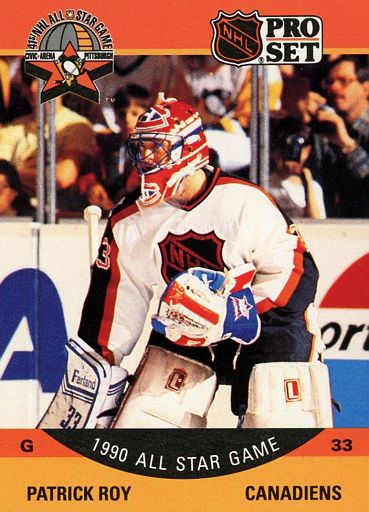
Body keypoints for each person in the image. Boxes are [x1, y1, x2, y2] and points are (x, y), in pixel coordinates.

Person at [70, 95, 331, 428]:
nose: (146, 159)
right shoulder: (129, 219)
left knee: (278, 420)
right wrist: (97, 368)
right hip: (185, 324)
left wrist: (236, 312)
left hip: (268, 321)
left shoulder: (245, 202)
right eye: (142, 148)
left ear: (189, 149)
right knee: (145, 423)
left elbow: (298, 271)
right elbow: (118, 295)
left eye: (157, 148)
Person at [0, 66, 112, 214]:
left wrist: (14, 174)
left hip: (63, 216)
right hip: (19, 215)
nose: (33, 88)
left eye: (41, 80)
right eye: (28, 81)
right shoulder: (12, 128)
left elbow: (61, 177)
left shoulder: (77, 126)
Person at [296, 55, 369, 217]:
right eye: (330, 82)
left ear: (366, 88)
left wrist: (348, 147)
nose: (334, 88)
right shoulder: (327, 124)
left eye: (343, 81)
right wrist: (303, 121)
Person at [99, 83, 151, 202]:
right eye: (122, 114)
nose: (127, 119)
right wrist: (93, 186)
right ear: (115, 117)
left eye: (134, 113)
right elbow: (95, 173)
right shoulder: (107, 144)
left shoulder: (153, 148)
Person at [269, 117, 326, 219]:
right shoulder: (265, 185)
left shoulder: (314, 187)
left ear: (307, 151)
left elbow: (317, 224)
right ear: (272, 151)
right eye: (283, 148)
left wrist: (307, 183)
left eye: (296, 149)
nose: (290, 154)